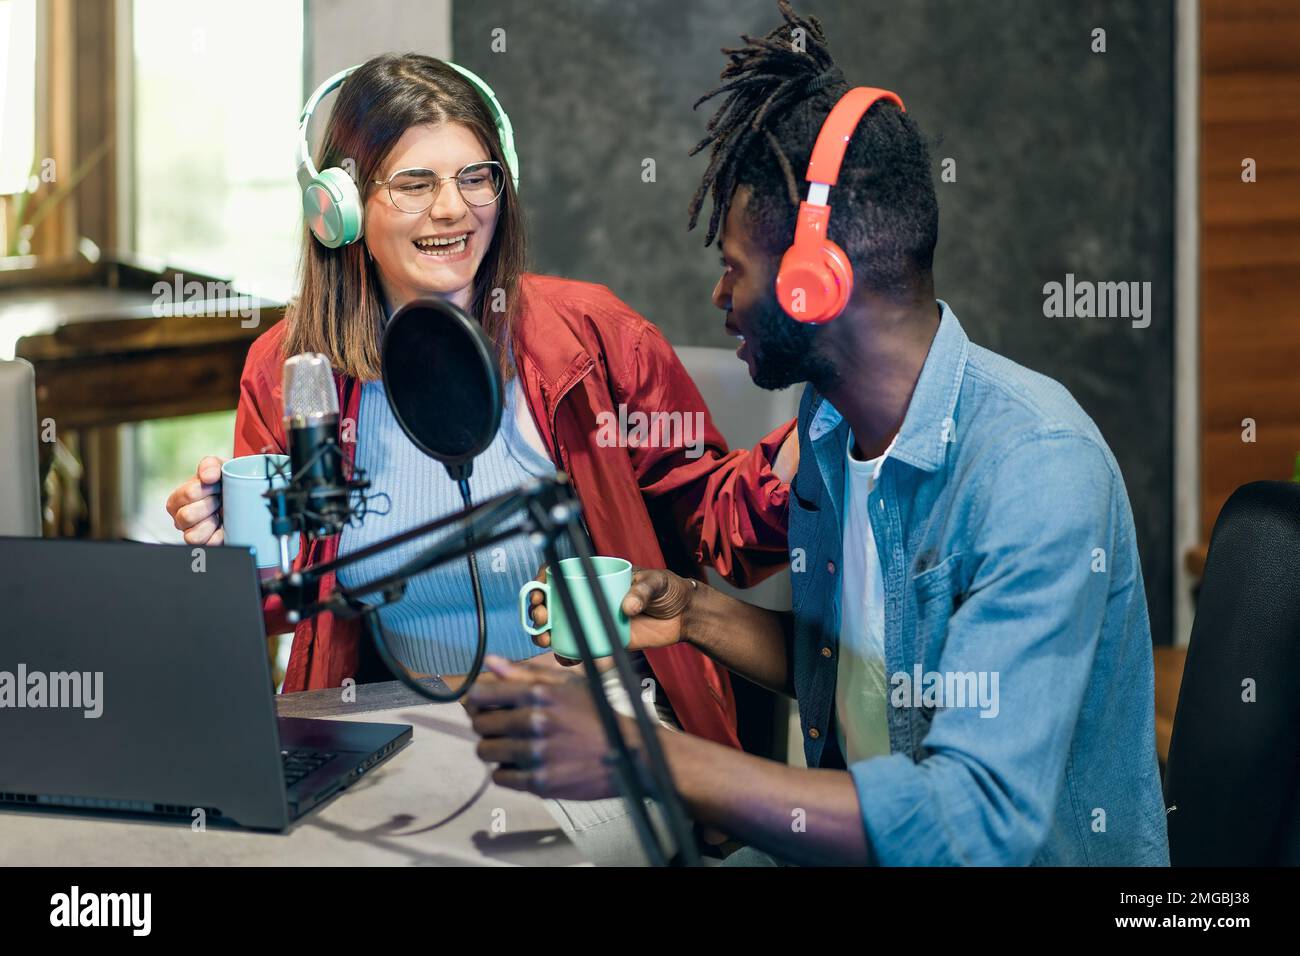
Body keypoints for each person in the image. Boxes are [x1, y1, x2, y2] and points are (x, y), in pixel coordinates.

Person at [467, 1, 1170, 866]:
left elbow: (976, 821)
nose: (719, 298)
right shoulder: (832, 430)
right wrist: (689, 611)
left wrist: (642, 754)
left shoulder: (1036, 472)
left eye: (731, 268)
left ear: (811, 282)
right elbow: (858, 676)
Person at [164, 52, 797, 863]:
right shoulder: (290, 373)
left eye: (476, 178)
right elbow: (276, 606)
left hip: (593, 709)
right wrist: (226, 554)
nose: (453, 210)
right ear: (343, 208)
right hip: (392, 721)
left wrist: (814, 446)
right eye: (414, 183)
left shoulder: (594, 338)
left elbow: (719, 523)